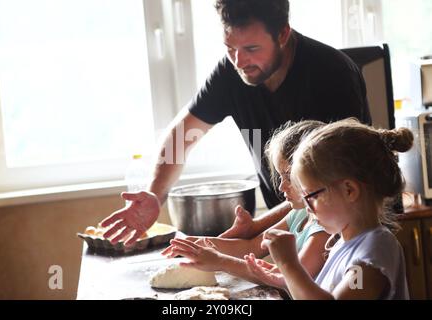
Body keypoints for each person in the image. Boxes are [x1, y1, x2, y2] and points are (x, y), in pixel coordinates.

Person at [100, 0, 371, 246]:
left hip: (349, 229)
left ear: (283, 34)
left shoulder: (332, 74)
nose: (240, 61)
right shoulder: (231, 75)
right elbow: (182, 137)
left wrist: (255, 229)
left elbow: (336, 184)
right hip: (297, 224)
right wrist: (154, 196)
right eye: (230, 48)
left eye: (252, 48)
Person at [247, 118, 412, 299]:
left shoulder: (374, 252)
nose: (307, 207)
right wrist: (285, 275)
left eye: (312, 196)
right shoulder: (343, 242)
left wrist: (289, 265)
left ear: (349, 190)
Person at [163, 120, 330, 289]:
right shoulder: (299, 214)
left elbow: (288, 280)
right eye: (280, 177)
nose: (281, 186)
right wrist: (199, 244)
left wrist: (221, 262)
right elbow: (251, 246)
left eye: (288, 176)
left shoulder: (323, 231)